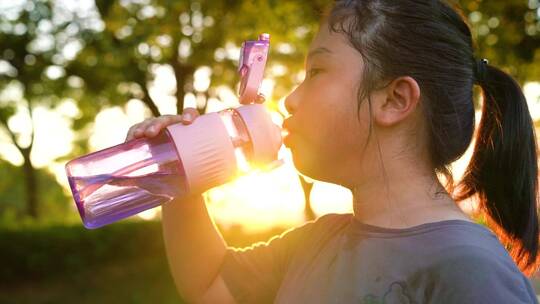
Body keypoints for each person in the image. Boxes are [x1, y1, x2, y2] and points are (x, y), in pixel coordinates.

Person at [125, 0, 540, 303]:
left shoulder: (470, 269)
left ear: (395, 100)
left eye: (316, 72)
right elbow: (209, 285)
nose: (289, 100)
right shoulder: (316, 242)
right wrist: (181, 179)